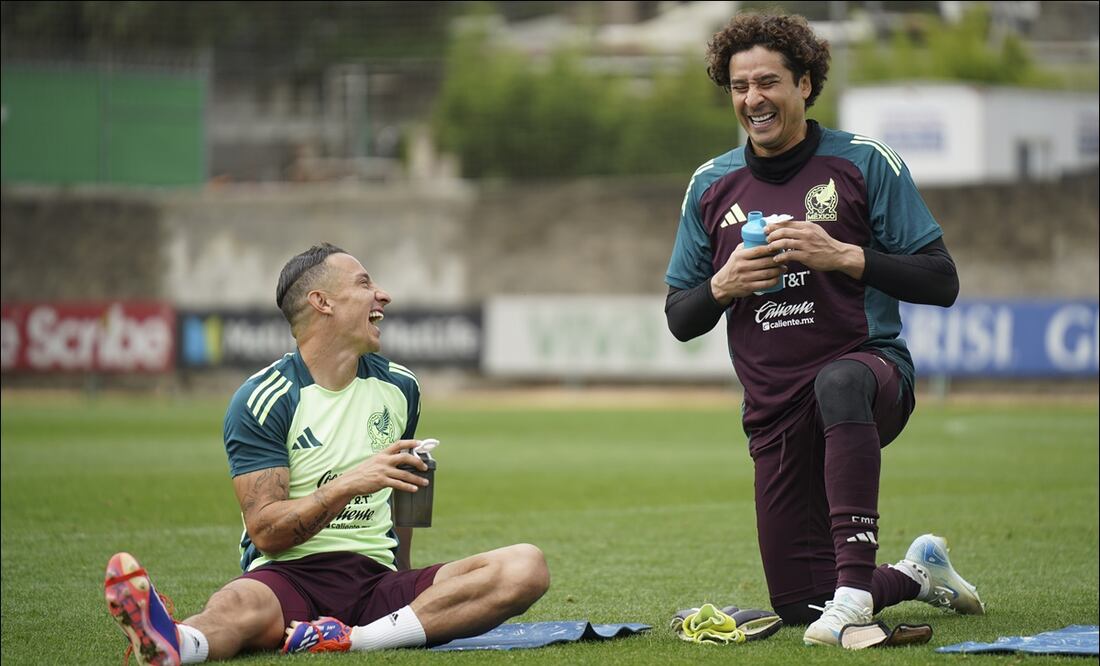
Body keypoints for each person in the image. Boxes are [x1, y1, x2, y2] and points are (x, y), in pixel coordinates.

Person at [663, 13, 983, 647]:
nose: (752, 98)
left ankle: (856, 587)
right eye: (738, 86)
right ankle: (913, 573)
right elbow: (679, 318)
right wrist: (724, 284)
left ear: (805, 84)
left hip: (868, 377)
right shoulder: (710, 184)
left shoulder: (865, 162)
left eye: (768, 82)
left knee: (838, 379)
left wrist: (844, 255)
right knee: (799, 604)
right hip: (773, 411)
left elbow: (941, 281)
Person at [105, 243, 550, 664]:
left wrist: (407, 582)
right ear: (322, 302)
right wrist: (355, 481)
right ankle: (177, 642)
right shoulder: (264, 398)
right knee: (237, 603)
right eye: (363, 283)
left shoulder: (401, 387)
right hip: (289, 579)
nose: (383, 295)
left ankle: (355, 640)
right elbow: (265, 533)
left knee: (525, 566)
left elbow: (402, 488)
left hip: (377, 582)